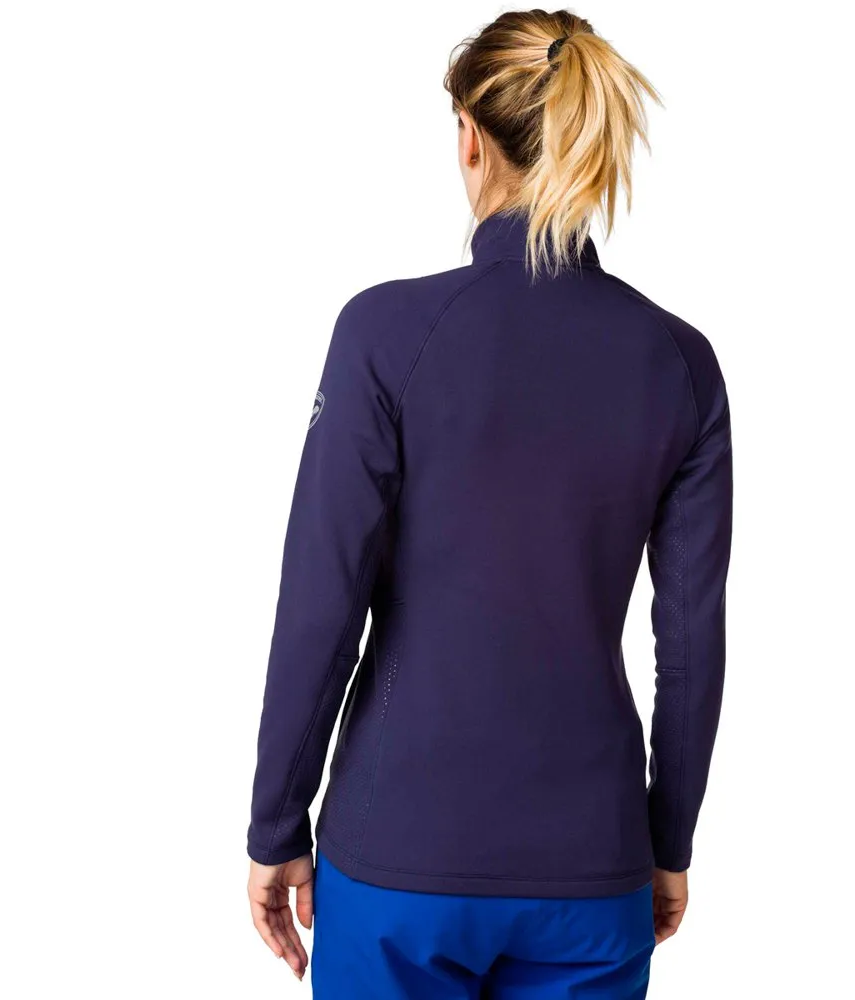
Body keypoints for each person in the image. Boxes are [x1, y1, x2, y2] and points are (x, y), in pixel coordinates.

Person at [246, 8, 733, 998]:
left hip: (399, 859)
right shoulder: (680, 362)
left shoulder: (384, 332)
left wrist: (274, 824)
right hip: (593, 866)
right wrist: (668, 839)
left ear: (469, 136)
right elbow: (691, 641)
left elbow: (322, 599)